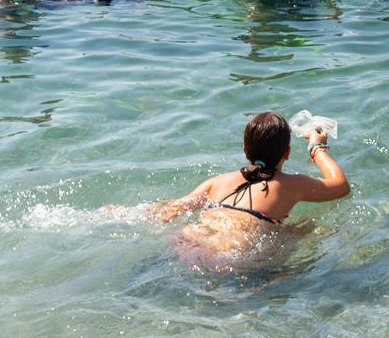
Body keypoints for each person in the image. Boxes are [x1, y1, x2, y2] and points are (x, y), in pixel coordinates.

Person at [118, 112, 348, 264]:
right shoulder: (292, 185)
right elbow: (341, 186)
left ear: (245, 150)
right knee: (307, 228)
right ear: (287, 153)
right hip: (231, 259)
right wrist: (316, 148)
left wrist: (124, 212)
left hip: (185, 244)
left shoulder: (217, 182)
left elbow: (170, 210)